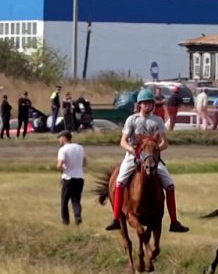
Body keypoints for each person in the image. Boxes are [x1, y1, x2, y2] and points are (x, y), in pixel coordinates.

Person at [105, 89, 190, 233]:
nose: (147, 105)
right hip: (133, 156)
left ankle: (174, 222)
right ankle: (116, 219)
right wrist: (133, 150)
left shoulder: (158, 120)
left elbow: (165, 143)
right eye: (144, 103)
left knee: (169, 185)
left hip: (152, 157)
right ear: (139, 105)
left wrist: (155, 151)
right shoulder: (132, 120)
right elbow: (123, 141)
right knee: (119, 182)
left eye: (150, 103)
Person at [56, 130, 87, 225]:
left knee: (64, 201)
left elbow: (60, 164)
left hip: (68, 178)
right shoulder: (79, 147)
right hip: (79, 178)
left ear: (64, 138)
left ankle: (66, 221)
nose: (59, 140)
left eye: (59, 138)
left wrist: (61, 169)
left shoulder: (63, 149)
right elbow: (85, 162)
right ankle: (77, 216)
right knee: (76, 200)